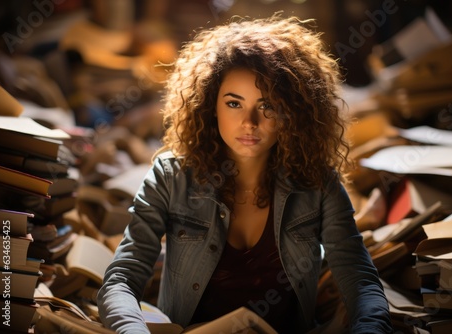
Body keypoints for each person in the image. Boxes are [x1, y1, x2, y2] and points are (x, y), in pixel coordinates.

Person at [97, 14, 393, 334]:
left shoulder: (318, 183)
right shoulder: (170, 178)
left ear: (291, 111)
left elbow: (359, 279)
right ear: (211, 105)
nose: (249, 122)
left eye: (267, 105)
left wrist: (371, 329)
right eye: (234, 104)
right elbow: (121, 280)